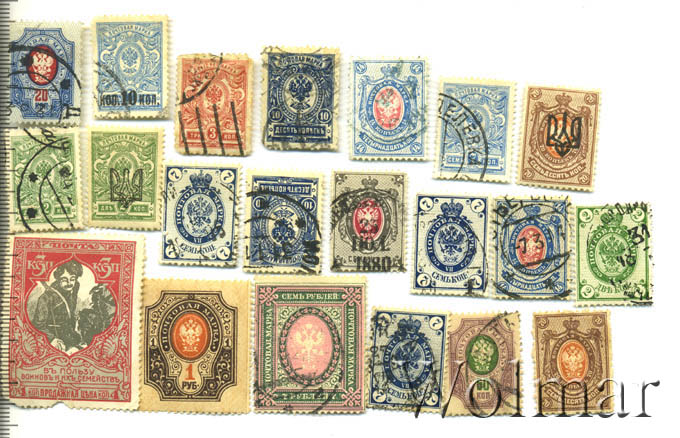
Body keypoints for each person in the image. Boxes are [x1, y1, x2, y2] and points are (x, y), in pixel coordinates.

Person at [30, 260, 83, 352]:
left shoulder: (73, 291)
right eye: (64, 280)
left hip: (69, 337)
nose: (69, 283)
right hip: (54, 339)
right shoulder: (46, 298)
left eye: (72, 279)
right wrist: (51, 339)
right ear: (58, 280)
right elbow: (38, 325)